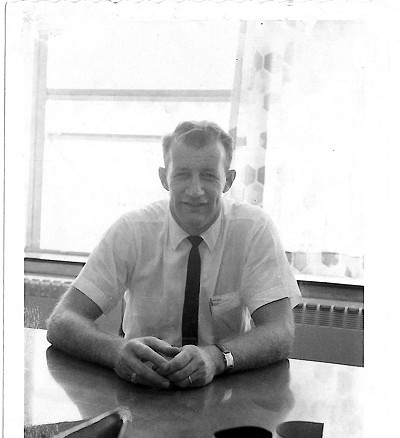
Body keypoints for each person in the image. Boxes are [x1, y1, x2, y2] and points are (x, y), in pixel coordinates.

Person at [47, 120, 301, 390]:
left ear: (228, 180)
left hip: (223, 386)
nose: (195, 191)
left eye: (208, 175)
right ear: (163, 177)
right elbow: (62, 320)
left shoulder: (254, 229)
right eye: (182, 175)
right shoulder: (132, 230)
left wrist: (216, 358)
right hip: (143, 387)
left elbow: (280, 332)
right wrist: (117, 351)